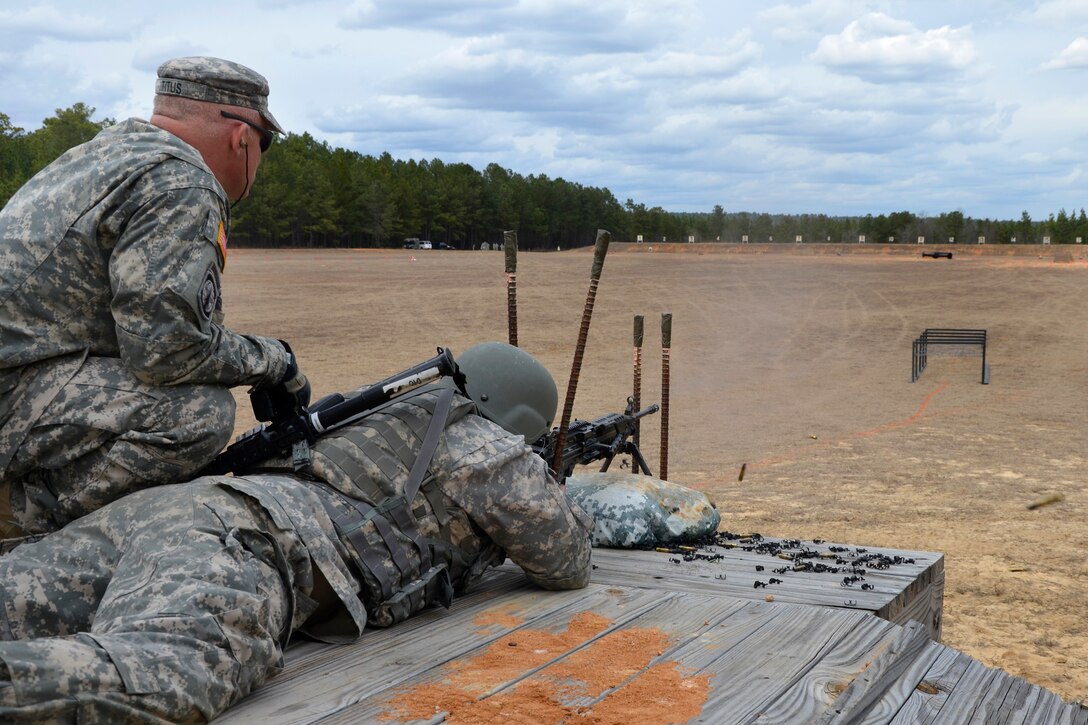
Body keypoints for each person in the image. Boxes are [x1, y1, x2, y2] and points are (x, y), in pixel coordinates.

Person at [0, 342, 594, 722]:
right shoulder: (486, 446)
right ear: (520, 420)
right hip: (246, 538)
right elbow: (564, 561)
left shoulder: (385, 416)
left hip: (170, 510)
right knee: (172, 673)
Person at [0, 57, 308, 539]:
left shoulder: (104, 154)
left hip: (23, 374)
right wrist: (276, 362)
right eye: (263, 144)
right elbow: (167, 352)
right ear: (241, 138)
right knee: (198, 414)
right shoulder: (182, 180)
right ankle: (29, 526)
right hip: (13, 390)